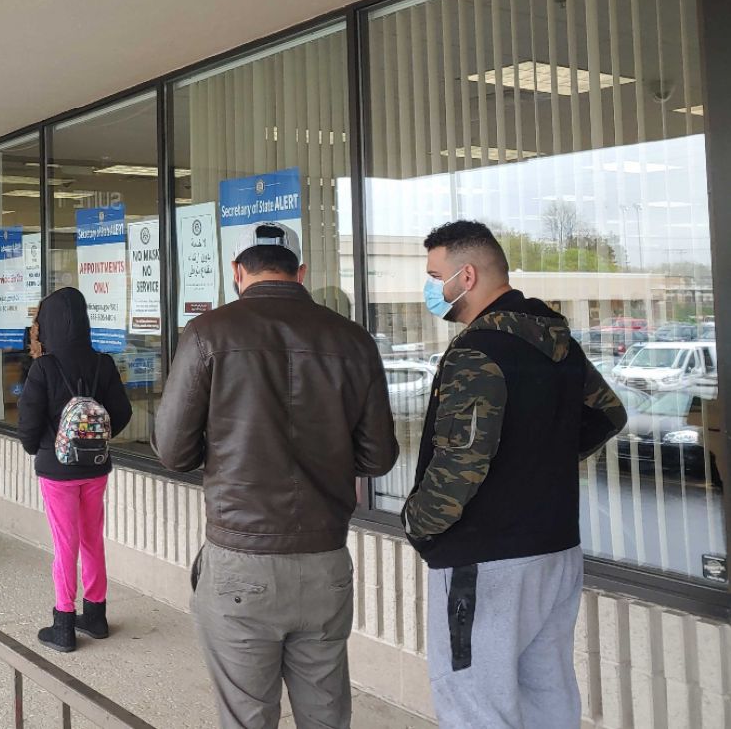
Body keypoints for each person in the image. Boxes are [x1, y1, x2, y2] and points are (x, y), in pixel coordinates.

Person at [154, 222, 399, 729]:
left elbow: (174, 452)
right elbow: (378, 460)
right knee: (326, 713)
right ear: (300, 273)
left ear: (237, 271)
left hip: (241, 560)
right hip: (324, 560)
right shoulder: (352, 339)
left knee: (247, 716)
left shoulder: (208, 334)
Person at [402, 221, 626, 729]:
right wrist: (538, 464)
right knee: (547, 697)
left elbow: (461, 462)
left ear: (467, 275)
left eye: (435, 275)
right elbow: (608, 414)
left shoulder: (477, 351)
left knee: (477, 706)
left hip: (485, 560)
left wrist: (419, 523)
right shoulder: (556, 340)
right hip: (555, 550)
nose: (432, 288)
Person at [17, 287, 132, 653]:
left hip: (57, 470)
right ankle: (95, 616)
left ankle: (63, 623)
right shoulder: (103, 363)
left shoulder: (44, 367)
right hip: (96, 468)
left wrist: (38, 449)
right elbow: (123, 413)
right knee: (91, 539)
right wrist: (97, 438)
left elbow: (28, 420)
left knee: (65, 543)